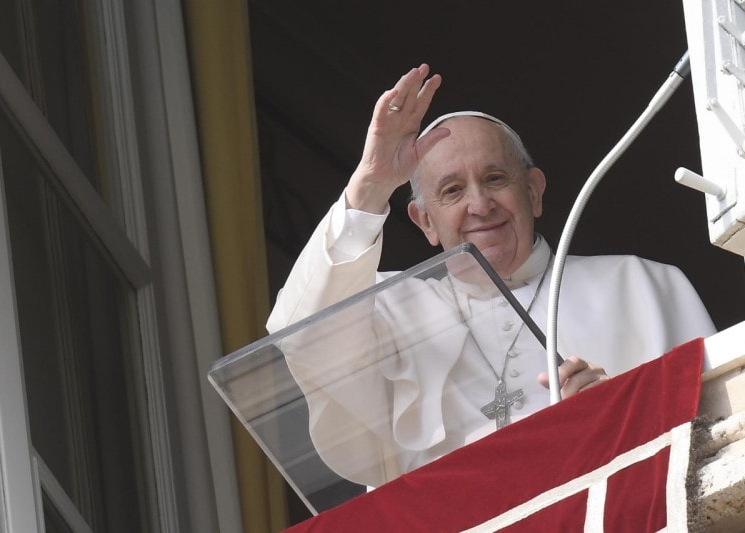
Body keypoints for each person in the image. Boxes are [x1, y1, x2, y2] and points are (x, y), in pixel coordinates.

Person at [266, 64, 716, 488]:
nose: (479, 205)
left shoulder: (640, 286)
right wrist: (369, 186)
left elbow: (719, 434)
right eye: (452, 190)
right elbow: (301, 336)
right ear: (424, 222)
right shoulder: (392, 311)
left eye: (495, 178)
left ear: (534, 192)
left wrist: (624, 416)